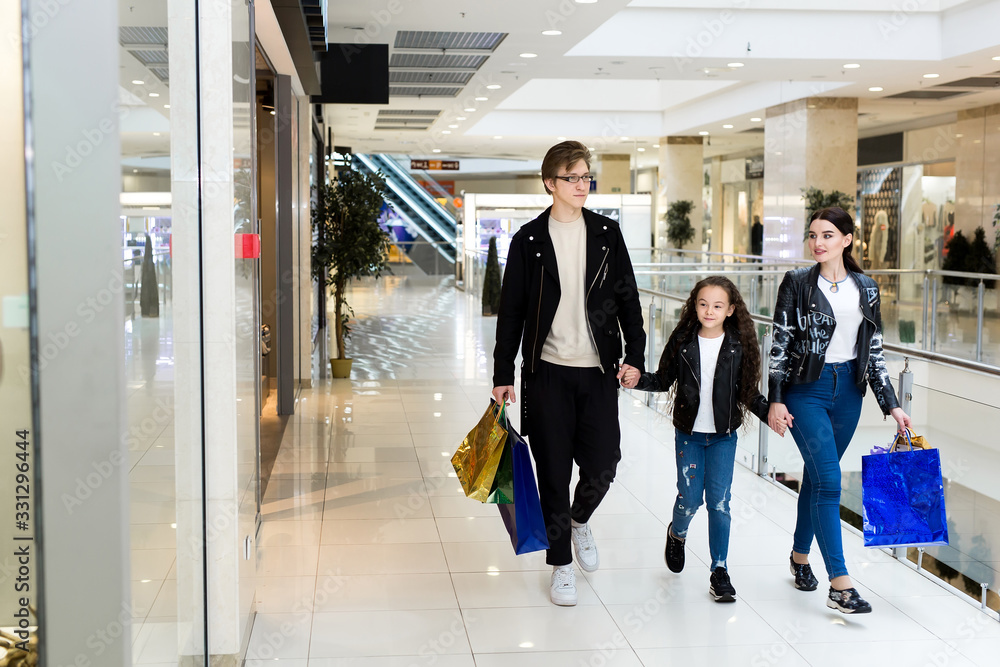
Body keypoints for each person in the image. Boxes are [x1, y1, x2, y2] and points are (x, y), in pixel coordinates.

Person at [492, 140, 646, 607]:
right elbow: (512, 312)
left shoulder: (606, 233)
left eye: (586, 177)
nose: (582, 185)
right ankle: (560, 563)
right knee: (553, 472)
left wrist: (635, 355)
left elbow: (629, 301)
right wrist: (503, 374)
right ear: (550, 183)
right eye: (573, 178)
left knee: (603, 463)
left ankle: (579, 521)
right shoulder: (529, 240)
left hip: (598, 371)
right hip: (547, 374)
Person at [767, 206, 912, 614]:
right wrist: (776, 397)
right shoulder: (796, 283)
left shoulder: (866, 287)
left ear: (847, 240)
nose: (818, 243)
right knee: (830, 481)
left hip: (849, 390)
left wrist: (893, 405)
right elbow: (780, 344)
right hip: (806, 390)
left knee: (817, 478)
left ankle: (799, 557)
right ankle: (840, 584)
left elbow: (876, 351)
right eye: (813, 235)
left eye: (827, 235)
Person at [620, 276, 769, 603]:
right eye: (703, 304)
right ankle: (678, 532)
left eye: (718, 305)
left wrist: (769, 412)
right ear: (694, 306)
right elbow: (661, 380)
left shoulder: (738, 343)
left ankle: (719, 570)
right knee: (689, 500)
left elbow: (747, 392)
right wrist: (635, 380)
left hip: (723, 436)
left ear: (731, 310)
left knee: (719, 502)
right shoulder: (684, 338)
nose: (709, 311)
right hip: (688, 434)